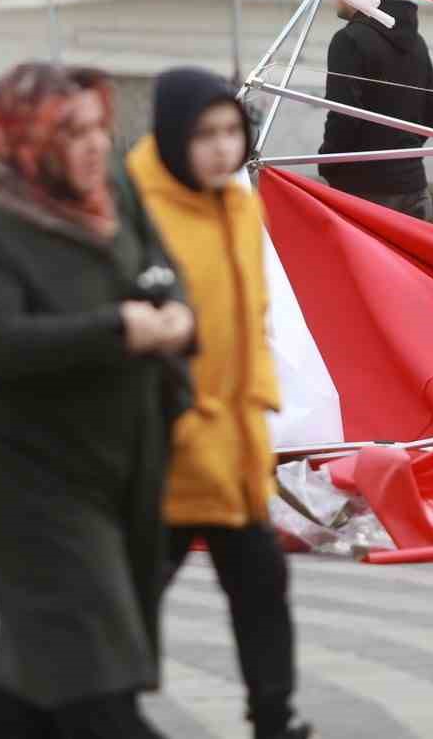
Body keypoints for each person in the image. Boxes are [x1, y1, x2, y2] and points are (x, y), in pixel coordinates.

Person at [0, 62, 196, 739]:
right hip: (24, 478)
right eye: (73, 131)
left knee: (37, 675)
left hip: (113, 464)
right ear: (30, 139)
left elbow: (159, 269)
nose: (94, 145)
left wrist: (175, 312)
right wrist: (118, 328)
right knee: (95, 682)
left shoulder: (115, 190)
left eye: (99, 128)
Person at [127, 67, 311, 739]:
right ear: (174, 135)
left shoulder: (238, 202)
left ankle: (274, 715)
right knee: (130, 595)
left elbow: (253, 314)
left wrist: (259, 405)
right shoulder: (137, 207)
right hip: (164, 447)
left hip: (232, 442)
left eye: (232, 130)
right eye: (204, 133)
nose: (220, 147)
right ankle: (96, 706)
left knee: (262, 585)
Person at [317, 0, 433, 221]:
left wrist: (329, 163)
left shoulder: (348, 40)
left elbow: (343, 114)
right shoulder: (415, 40)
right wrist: (402, 150)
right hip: (414, 187)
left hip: (364, 191)